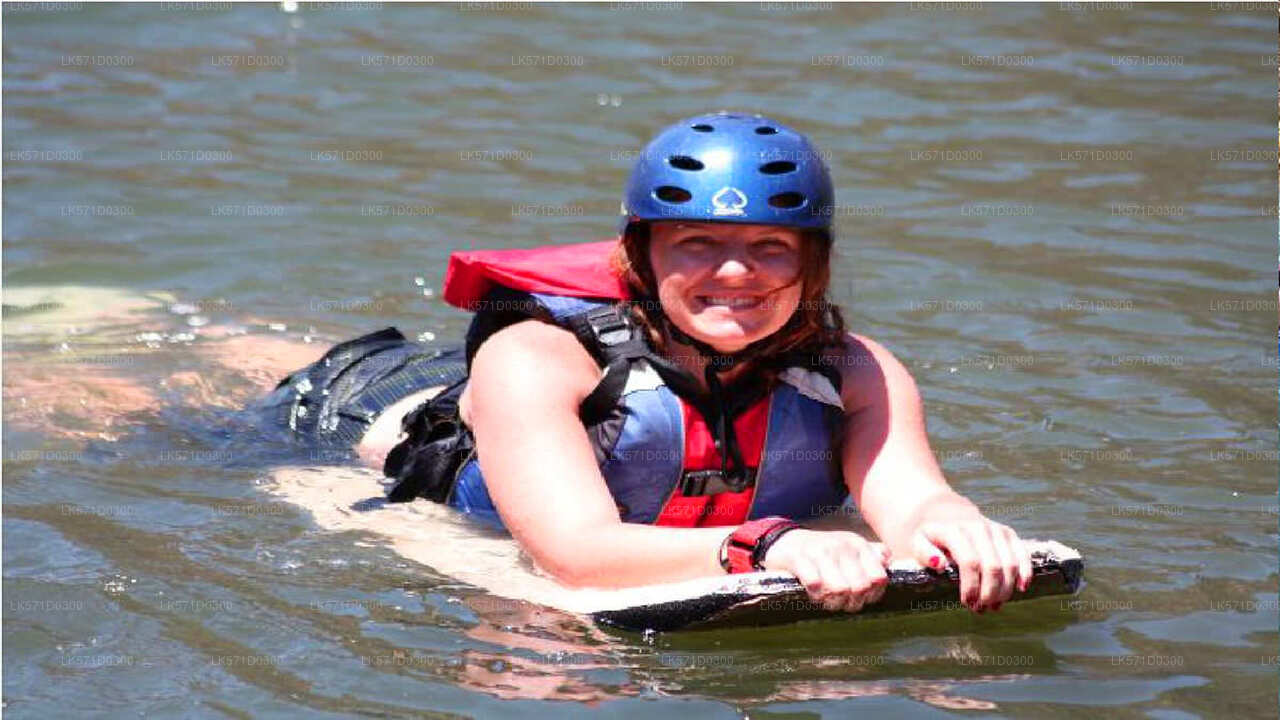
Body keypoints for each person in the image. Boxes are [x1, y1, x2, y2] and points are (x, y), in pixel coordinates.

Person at [256, 111, 1033, 614]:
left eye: (771, 248)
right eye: (698, 244)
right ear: (639, 257)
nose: (737, 273)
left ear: (814, 267)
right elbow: (579, 554)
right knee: (176, 383)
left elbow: (916, 501)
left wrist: (959, 528)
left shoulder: (855, 371)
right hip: (353, 406)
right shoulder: (533, 359)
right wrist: (767, 545)